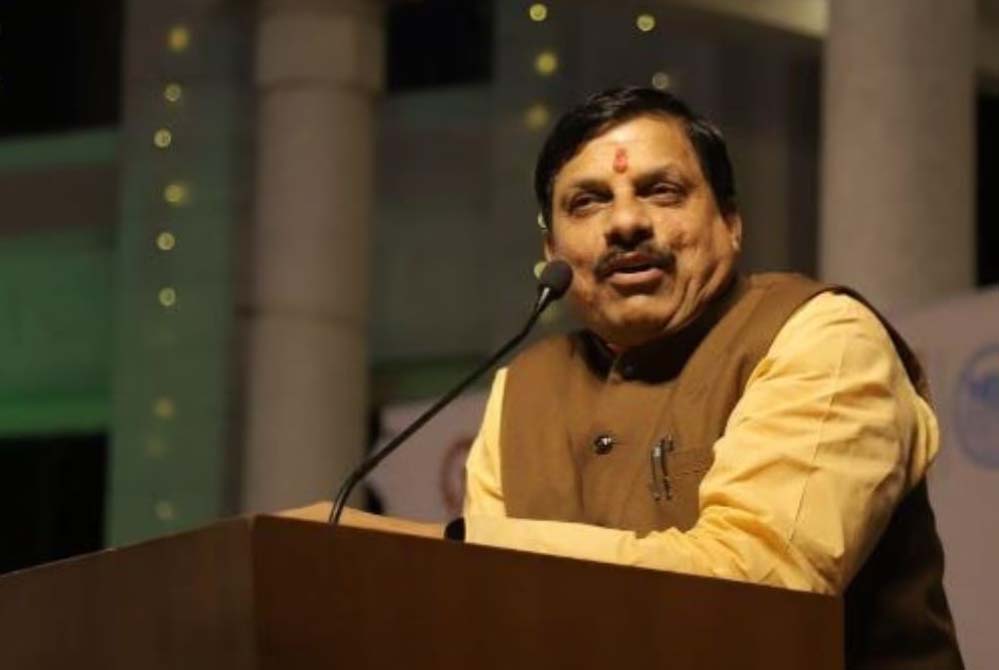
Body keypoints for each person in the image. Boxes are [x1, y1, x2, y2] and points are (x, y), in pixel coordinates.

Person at [453, 87, 963, 668]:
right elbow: (487, 621)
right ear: (552, 251)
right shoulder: (523, 388)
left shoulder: (821, 334)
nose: (625, 222)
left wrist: (481, 551)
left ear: (730, 221)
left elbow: (758, 591)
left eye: (661, 191)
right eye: (588, 202)